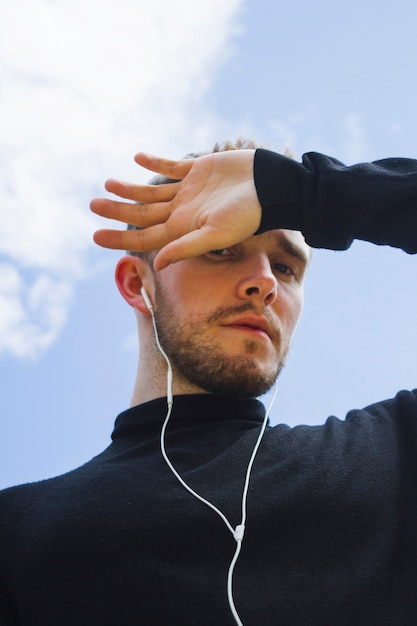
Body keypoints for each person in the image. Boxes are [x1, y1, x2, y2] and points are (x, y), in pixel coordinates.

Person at [1, 139, 416, 626]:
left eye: (285, 267)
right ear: (139, 284)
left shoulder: (394, 455)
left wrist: (311, 191)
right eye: (219, 249)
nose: (264, 281)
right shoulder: (19, 534)